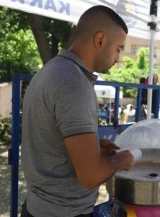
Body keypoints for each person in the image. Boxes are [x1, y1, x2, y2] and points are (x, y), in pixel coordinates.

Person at [20, 6, 134, 217]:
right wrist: (119, 161)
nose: (118, 59)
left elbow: (48, 138)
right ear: (100, 40)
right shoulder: (74, 84)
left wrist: (91, 147)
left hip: (37, 208)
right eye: (119, 48)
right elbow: (90, 176)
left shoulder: (50, 70)